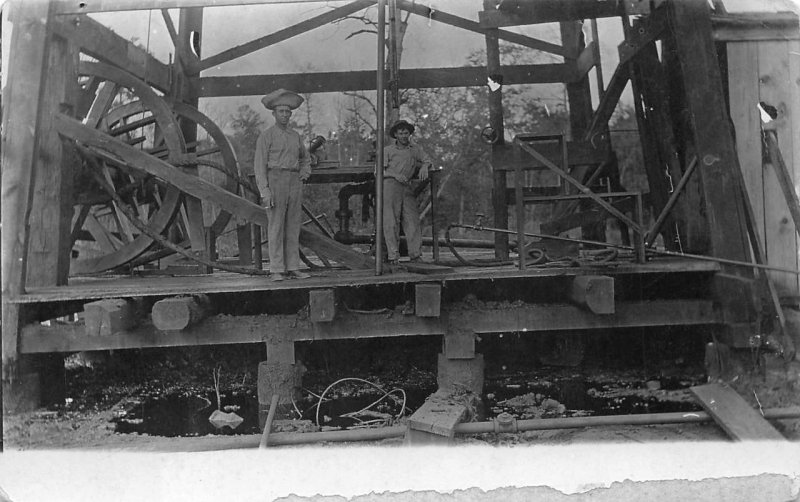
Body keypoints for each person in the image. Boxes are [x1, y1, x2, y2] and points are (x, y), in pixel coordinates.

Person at [254, 88, 311, 281]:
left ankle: (293, 267)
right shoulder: (266, 136)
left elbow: (305, 158)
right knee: (276, 226)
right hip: (275, 180)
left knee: (293, 225)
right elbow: (259, 166)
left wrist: (304, 172)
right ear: (274, 113)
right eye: (281, 112)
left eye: (288, 112)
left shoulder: (295, 136)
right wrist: (265, 191)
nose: (285, 115)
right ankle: (277, 269)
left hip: (294, 182)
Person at [382, 119, 432, 265]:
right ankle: (393, 257)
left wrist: (424, 166)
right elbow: (379, 172)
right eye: (401, 133)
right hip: (390, 186)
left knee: (412, 220)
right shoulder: (387, 151)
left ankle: (415, 255)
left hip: (406, 187)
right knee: (391, 221)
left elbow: (427, 160)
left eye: (406, 133)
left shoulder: (414, 149)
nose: (404, 135)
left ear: (409, 134)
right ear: (395, 135)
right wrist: (395, 175)